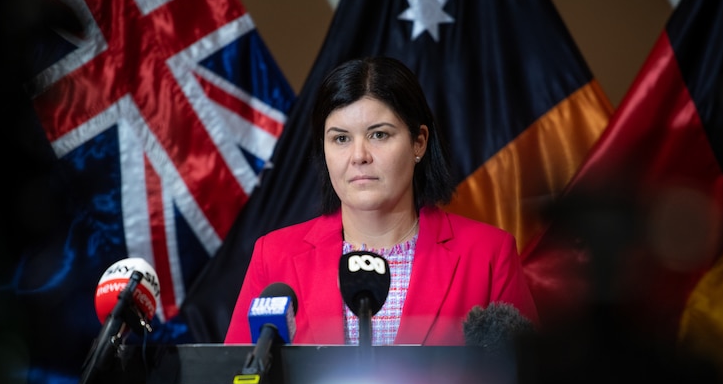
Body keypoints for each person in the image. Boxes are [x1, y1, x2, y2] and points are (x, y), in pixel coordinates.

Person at [224, 56, 538, 345]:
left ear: (419, 142)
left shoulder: (489, 255)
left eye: (379, 135)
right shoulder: (275, 256)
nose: (359, 156)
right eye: (341, 139)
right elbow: (237, 380)